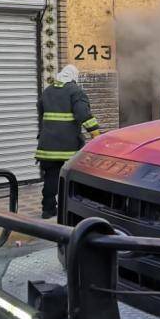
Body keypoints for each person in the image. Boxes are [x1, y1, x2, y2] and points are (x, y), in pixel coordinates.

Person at [36, 65, 100, 218]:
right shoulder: (76, 92)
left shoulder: (48, 91)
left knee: (51, 177)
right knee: (74, 176)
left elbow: (41, 111)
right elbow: (83, 114)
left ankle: (48, 209)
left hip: (47, 146)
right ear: (74, 76)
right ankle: (76, 209)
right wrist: (96, 135)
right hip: (68, 147)